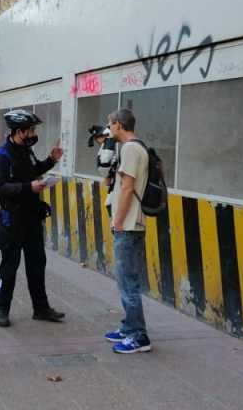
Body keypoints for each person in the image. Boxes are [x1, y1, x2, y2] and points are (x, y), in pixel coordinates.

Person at [0, 109, 65, 327]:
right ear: (19, 131)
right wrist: (28, 187)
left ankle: (41, 308)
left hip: (32, 218)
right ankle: (1, 309)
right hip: (12, 221)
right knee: (9, 267)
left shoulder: (26, 151)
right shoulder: (2, 155)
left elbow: (34, 171)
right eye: (30, 129)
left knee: (37, 264)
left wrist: (51, 160)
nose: (33, 133)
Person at [103, 109, 152, 354]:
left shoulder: (131, 149)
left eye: (110, 124)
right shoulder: (132, 148)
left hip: (129, 225)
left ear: (119, 125)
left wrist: (118, 221)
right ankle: (128, 326)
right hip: (132, 224)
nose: (109, 129)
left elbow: (127, 188)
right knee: (126, 280)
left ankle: (138, 336)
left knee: (128, 283)